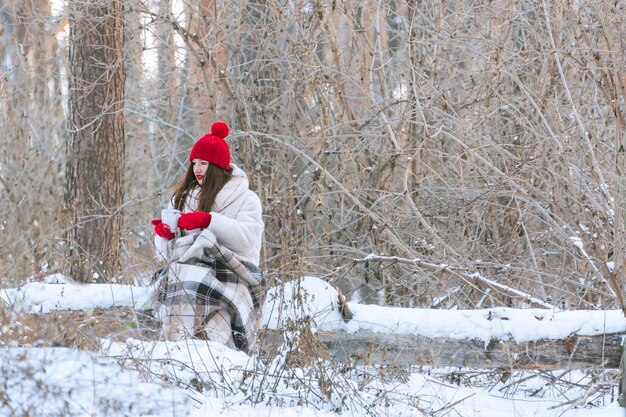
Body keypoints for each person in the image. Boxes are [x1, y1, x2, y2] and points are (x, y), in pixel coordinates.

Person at [151, 121, 265, 353]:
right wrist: (165, 236)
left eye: (203, 163)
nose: (197, 169)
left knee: (196, 280)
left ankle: (216, 358)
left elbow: (247, 239)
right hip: (186, 270)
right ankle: (177, 352)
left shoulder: (246, 198)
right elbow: (165, 255)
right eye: (194, 163)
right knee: (186, 276)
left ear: (217, 166)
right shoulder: (182, 198)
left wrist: (208, 221)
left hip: (235, 271)